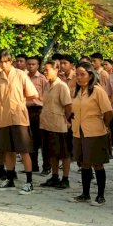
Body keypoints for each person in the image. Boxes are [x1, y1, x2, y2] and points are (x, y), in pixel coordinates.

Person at [0, 50, 39, 194]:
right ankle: (10, 179)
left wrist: (20, 101)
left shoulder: (20, 74)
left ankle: (29, 182)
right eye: (1, 62)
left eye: (6, 61)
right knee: (8, 150)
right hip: (4, 118)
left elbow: (33, 93)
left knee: (23, 150)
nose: (4, 64)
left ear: (11, 61)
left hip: (19, 117)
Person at [68, 61, 113, 206]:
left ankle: (100, 196)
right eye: (77, 75)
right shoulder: (75, 91)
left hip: (95, 132)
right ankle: (85, 194)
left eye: (82, 75)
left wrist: (104, 125)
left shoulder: (97, 91)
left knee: (97, 164)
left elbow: (108, 111)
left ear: (90, 75)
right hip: (78, 132)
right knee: (84, 164)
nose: (79, 78)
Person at [38, 61, 73, 190]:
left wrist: (67, 120)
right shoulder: (47, 85)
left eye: (47, 70)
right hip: (46, 123)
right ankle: (54, 176)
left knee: (63, 153)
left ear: (56, 70)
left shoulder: (61, 86)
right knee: (50, 152)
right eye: (44, 70)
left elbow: (68, 106)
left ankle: (65, 178)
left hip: (59, 124)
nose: (45, 72)